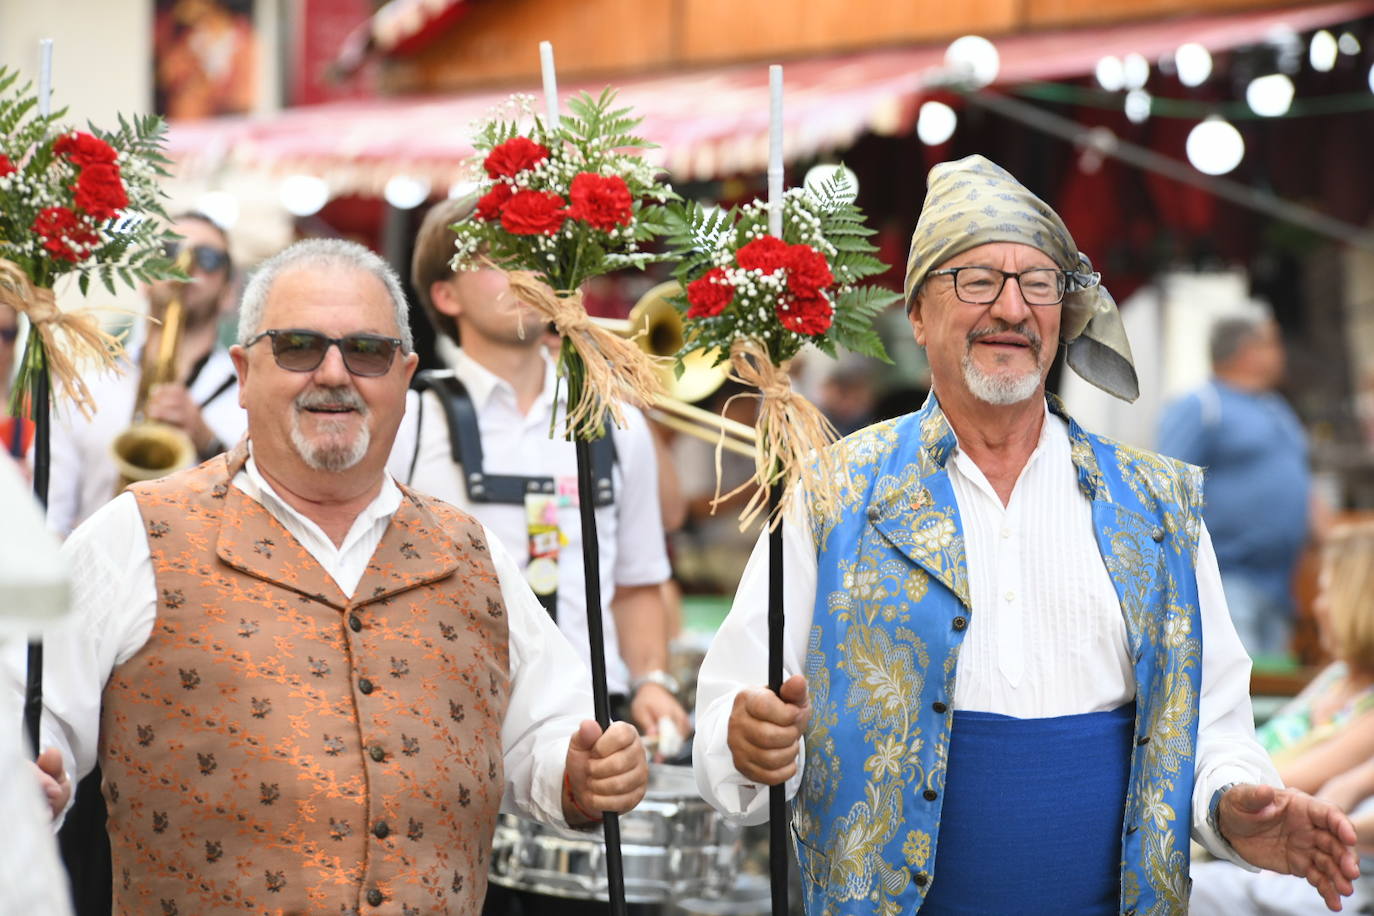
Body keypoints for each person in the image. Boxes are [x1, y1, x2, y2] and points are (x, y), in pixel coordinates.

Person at [693, 155, 1359, 915]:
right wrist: (746, 745)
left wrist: (1233, 806)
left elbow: (1211, 725)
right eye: (976, 280)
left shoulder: (1160, 509)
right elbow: (727, 715)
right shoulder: (830, 495)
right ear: (917, 312)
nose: (1011, 308)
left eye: (1037, 283)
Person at [13, 238, 648, 914]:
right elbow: (30, 713)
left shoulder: (471, 555)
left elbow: (549, 732)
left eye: (367, 351)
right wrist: (29, 773)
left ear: (405, 376)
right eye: (298, 347)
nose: (335, 374)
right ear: (245, 370)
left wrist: (585, 772)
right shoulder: (132, 536)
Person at [398, 197, 690, 748]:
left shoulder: (617, 423)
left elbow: (636, 581)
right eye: (493, 258)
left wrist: (651, 681)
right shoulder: (409, 420)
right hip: (445, 727)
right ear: (444, 294)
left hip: (592, 726)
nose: (521, 273)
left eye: (532, 254)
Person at [1191, 520, 1374, 914]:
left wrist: (1203, 782)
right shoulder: (1335, 678)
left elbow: (1292, 778)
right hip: (1238, 827)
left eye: (1326, 591)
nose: (1316, 605)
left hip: (1284, 864)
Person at [46, 211, 247, 536]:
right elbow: (47, 519)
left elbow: (258, 512)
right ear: (143, 278)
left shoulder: (250, 395)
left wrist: (206, 441)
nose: (184, 263)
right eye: (167, 250)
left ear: (229, 292)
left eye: (207, 258)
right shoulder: (82, 384)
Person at [1157, 312, 1313, 659]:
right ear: (1248, 350)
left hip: (1280, 585)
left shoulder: (1276, 407)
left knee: (1271, 690)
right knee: (1242, 691)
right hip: (1228, 582)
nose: (1281, 352)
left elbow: (1301, 478)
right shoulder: (1200, 406)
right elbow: (1168, 489)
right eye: (1272, 343)